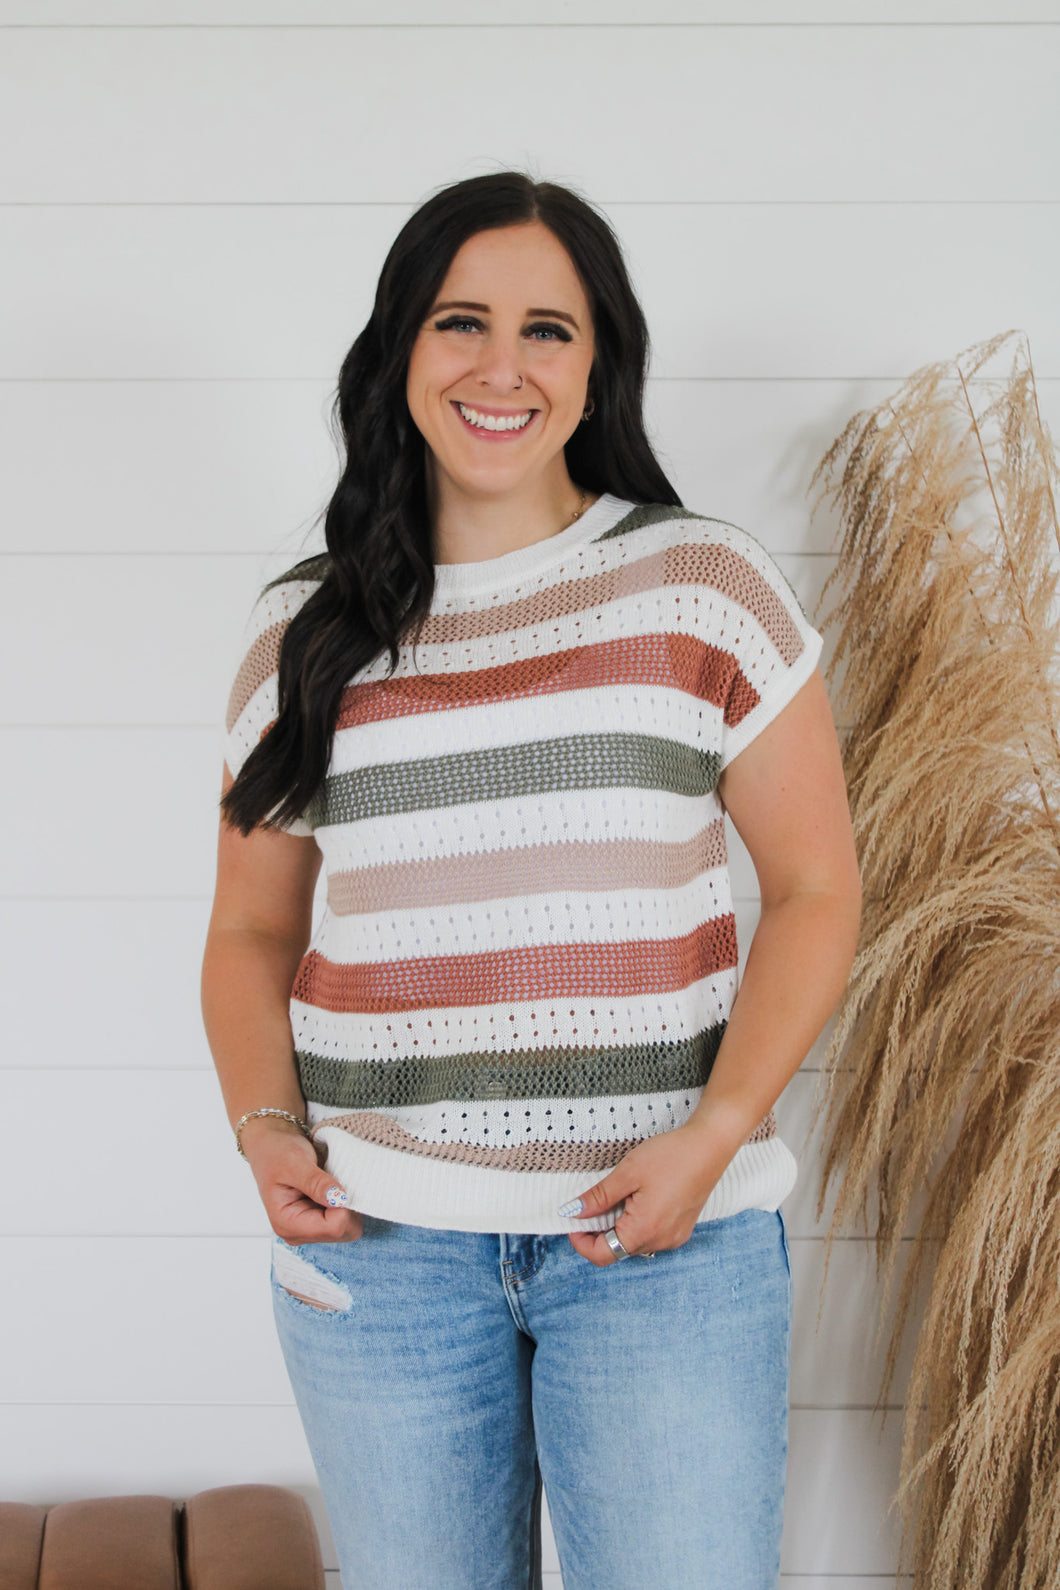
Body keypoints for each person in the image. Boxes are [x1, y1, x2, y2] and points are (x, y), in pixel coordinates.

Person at [201, 170, 862, 1590]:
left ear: (598, 360)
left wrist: (717, 1132)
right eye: (462, 321)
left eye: (547, 329)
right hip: (382, 1252)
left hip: (664, 1243)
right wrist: (265, 1127)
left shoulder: (702, 585)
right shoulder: (306, 631)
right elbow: (251, 929)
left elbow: (818, 889)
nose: (501, 366)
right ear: (401, 347)